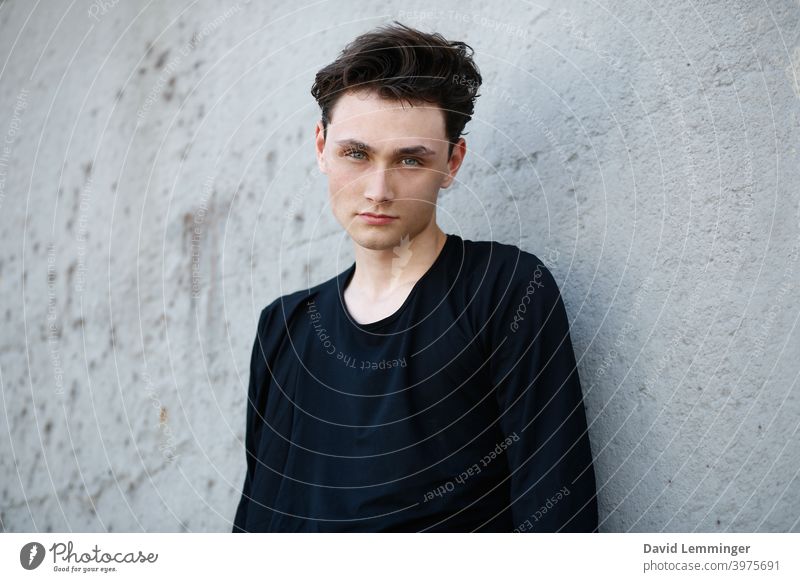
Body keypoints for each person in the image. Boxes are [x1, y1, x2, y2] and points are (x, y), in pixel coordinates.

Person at [232, 21, 598, 532]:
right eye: (355, 154)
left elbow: (558, 508)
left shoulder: (503, 290)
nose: (378, 190)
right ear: (321, 147)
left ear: (452, 163)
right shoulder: (285, 327)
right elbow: (260, 516)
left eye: (409, 159)